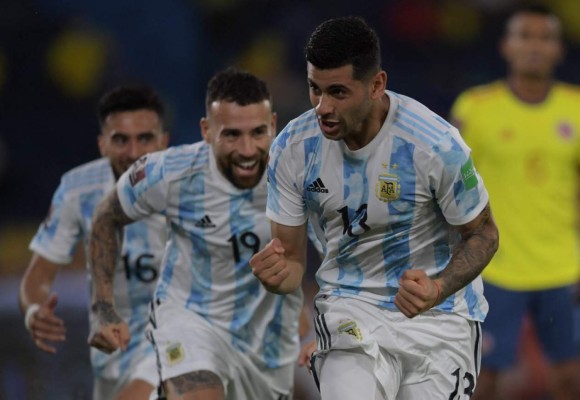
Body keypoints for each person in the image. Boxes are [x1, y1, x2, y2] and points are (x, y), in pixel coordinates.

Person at [249, 16, 500, 400]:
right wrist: (277, 275)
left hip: (439, 318)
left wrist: (437, 287)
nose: (322, 107)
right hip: (351, 308)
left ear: (376, 84)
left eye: (337, 92)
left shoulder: (434, 145)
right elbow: (293, 264)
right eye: (315, 89)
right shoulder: (293, 148)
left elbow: (484, 233)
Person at [88, 67, 304, 400]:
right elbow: (105, 217)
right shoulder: (170, 173)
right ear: (206, 130)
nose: (247, 150)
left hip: (266, 344)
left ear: (273, 125)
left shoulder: (300, 176)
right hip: (191, 321)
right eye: (231, 135)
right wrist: (103, 308)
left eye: (258, 132)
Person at [450, 5, 580, 399]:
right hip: (495, 270)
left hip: (563, 267)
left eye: (545, 37)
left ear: (559, 49)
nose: (535, 46)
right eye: (525, 36)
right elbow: (447, 188)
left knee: (570, 379)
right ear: (506, 46)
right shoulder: (474, 108)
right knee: (483, 381)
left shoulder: (576, 108)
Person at [19, 85, 170, 399]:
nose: (132, 153)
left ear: (163, 142)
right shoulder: (78, 188)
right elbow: (39, 274)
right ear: (102, 145)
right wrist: (34, 310)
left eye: (144, 139)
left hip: (173, 342)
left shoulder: (188, 188)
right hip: (110, 356)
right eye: (120, 140)